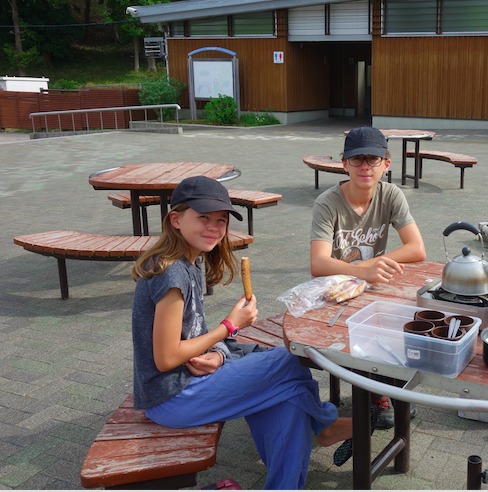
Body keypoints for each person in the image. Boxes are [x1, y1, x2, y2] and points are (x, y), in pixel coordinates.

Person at [131, 176, 351, 490]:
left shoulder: (187, 264)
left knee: (284, 399)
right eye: (203, 217)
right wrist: (230, 326)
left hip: (186, 382)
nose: (214, 227)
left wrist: (218, 355)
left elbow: (189, 339)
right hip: (171, 397)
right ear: (176, 219)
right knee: (287, 362)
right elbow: (166, 358)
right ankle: (325, 424)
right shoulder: (170, 273)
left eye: (220, 220)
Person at [310, 126, 426, 429]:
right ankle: (378, 394)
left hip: (372, 282)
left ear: (386, 164)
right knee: (355, 331)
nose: (364, 167)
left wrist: (372, 265)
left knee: (401, 318)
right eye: (357, 159)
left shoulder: (391, 194)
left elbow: (417, 248)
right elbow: (318, 264)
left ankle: (390, 382)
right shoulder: (328, 202)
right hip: (335, 287)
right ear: (343, 163)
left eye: (372, 159)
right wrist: (361, 271)